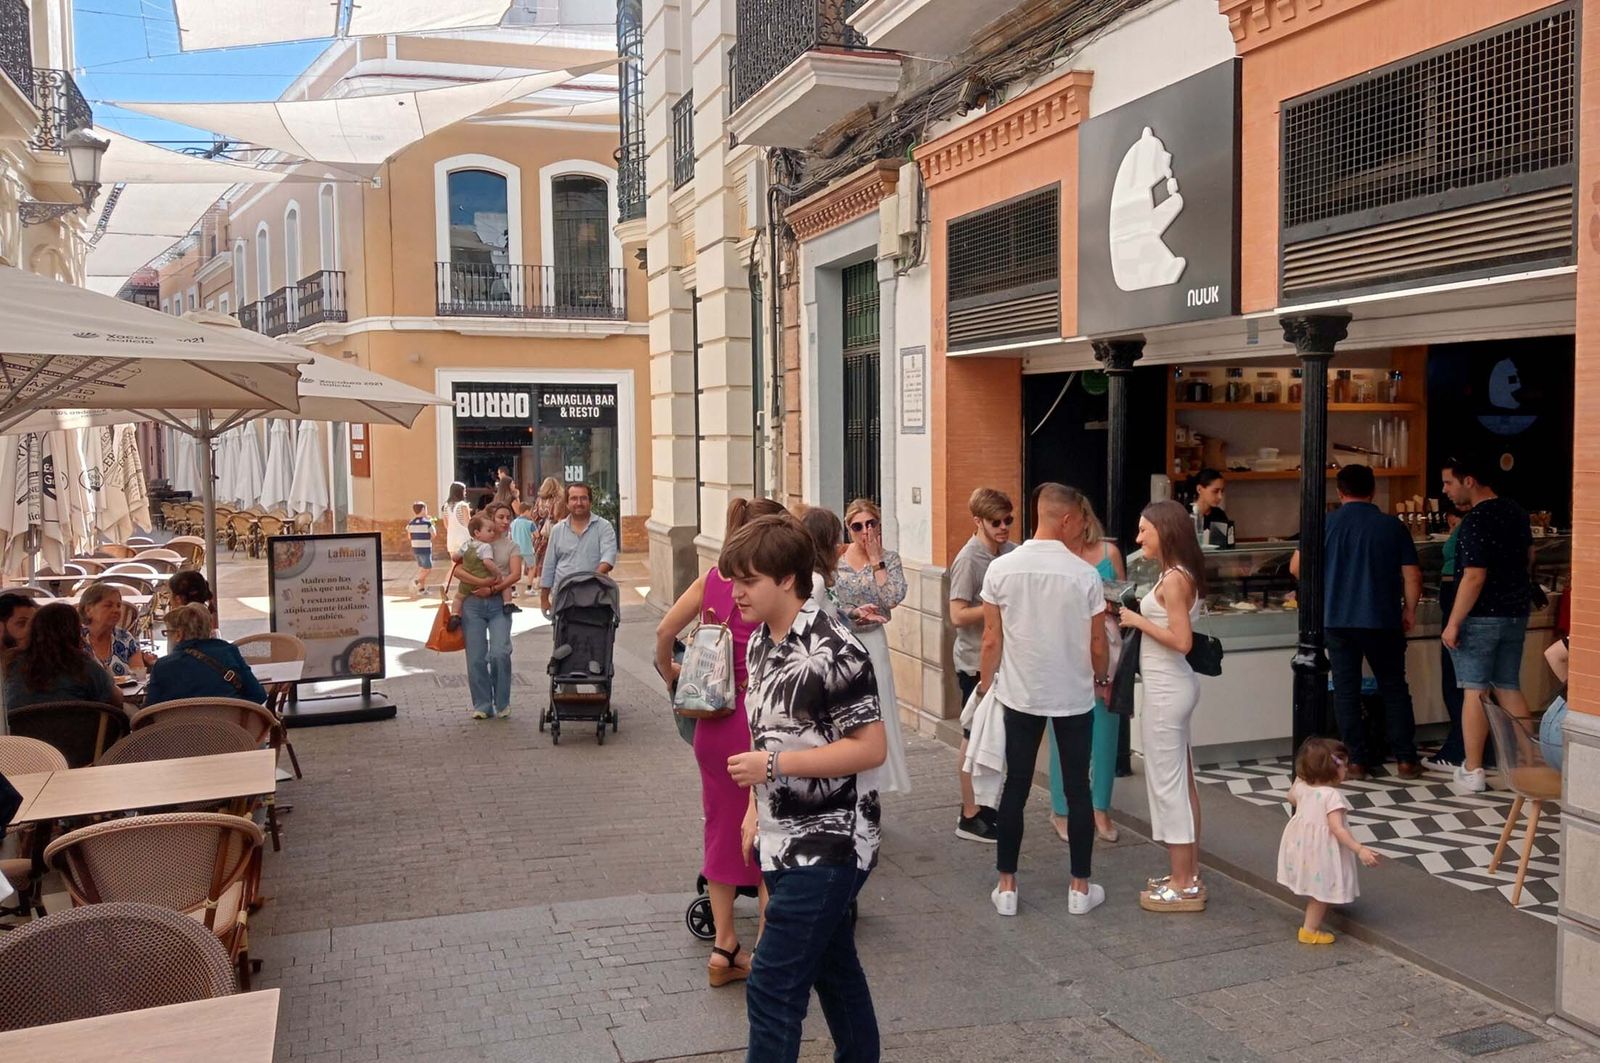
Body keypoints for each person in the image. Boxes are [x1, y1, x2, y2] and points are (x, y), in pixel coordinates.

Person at [721, 514, 885, 1063]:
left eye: (749, 581)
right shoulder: (760, 642)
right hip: (781, 837)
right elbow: (765, 730)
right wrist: (754, 810)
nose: (737, 592)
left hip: (833, 840)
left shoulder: (836, 648)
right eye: (735, 580)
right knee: (835, 972)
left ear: (788, 579)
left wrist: (773, 767)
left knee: (771, 984)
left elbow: (871, 748)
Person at [654, 497, 787, 987]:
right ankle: (766, 951)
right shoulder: (772, 592)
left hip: (712, 724)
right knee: (769, 830)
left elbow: (664, 630)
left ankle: (723, 946)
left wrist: (671, 674)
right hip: (755, 722)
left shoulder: (712, 580)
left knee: (719, 829)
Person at [979, 483, 1110, 919]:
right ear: (1067, 519)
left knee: (1015, 785)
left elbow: (991, 639)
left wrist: (984, 685)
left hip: (1021, 691)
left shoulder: (1001, 569)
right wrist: (1101, 676)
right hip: (1073, 694)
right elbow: (1097, 642)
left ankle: (1007, 886)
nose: (1083, 529)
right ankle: (1079, 887)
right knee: (1078, 788)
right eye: (1081, 521)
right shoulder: (1085, 575)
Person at [1288, 465, 1422, 779]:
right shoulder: (1392, 526)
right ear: (1373, 491)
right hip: (1383, 619)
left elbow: (1296, 567)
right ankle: (1405, 759)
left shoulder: (1323, 523)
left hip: (1337, 620)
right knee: (1394, 688)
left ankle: (1357, 761)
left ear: (1340, 492)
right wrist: (1410, 610)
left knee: (1346, 691)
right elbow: (1412, 575)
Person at [1118, 498, 1207, 913]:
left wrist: (1138, 620)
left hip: (1168, 690)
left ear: (1164, 531)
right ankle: (1188, 874)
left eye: (1144, 530)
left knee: (1169, 786)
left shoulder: (1173, 579)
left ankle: (1183, 882)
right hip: (1171, 688)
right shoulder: (1178, 574)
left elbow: (1182, 641)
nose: (1138, 539)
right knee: (1181, 783)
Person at [1440, 455, 1534, 794]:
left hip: (1480, 616)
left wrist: (1453, 622)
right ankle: (1527, 765)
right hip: (1515, 612)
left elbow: (1474, 576)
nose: (1445, 490)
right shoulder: (1516, 512)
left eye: (1449, 482)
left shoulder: (1475, 520)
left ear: (1469, 480)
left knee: (1475, 690)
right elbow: (1529, 557)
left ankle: (1473, 769)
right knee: (1508, 685)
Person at [1052, 490, 1124, 845]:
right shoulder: (1056, 557)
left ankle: (1100, 808)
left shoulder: (1109, 553)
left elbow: (1126, 599)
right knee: (1062, 732)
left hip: (1105, 648)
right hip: (1067, 649)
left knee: (1105, 730)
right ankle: (1061, 808)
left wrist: (1113, 606)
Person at [948, 487, 1015, 844]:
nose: (1003, 527)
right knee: (971, 736)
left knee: (993, 738)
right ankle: (969, 813)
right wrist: (993, 606)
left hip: (1005, 660)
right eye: (996, 522)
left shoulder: (1012, 552)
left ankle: (985, 806)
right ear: (978, 521)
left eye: (1008, 520)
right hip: (975, 661)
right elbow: (957, 614)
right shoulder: (968, 559)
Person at [832, 498, 912, 795]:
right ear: (848, 529)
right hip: (843, 641)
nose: (865, 531)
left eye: (871, 523)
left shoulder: (890, 559)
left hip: (873, 639)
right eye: (857, 526)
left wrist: (877, 561)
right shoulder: (836, 559)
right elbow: (828, 601)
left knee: (878, 707)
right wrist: (851, 614)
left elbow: (891, 598)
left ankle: (879, 779)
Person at [1276, 737, 1380, 945]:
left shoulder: (1303, 787)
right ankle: (1309, 930)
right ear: (1331, 769)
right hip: (1322, 849)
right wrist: (1359, 849)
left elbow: (1291, 797)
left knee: (1313, 880)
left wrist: (1300, 778)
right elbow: (1337, 829)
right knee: (1320, 892)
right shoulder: (1332, 796)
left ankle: (1319, 905)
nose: (1346, 770)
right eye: (1344, 766)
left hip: (1303, 845)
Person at [456, 501, 522, 721]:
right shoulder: (473, 543)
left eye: (508, 517)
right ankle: (483, 704)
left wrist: (492, 589)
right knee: (475, 656)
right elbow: (457, 570)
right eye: (501, 517)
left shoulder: (511, 546)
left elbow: (515, 574)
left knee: (500, 653)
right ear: (490, 518)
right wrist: (481, 583)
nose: (505, 521)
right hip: (472, 604)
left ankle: (502, 702)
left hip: (498, 603)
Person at [2, 602, 122, 711]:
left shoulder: (12, 664)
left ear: (33, 630)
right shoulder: (83, 665)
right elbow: (116, 700)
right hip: (77, 728)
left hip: (20, 727)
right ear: (75, 632)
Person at [143, 604, 269, 706]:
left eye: (167, 632)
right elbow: (258, 695)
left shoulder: (163, 666)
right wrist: (233, 706)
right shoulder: (228, 651)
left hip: (181, 730)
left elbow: (149, 712)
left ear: (178, 634)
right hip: (229, 728)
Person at [1425, 504, 1470, 770]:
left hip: (1458, 607)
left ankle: (1460, 748)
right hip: (1464, 606)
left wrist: (1453, 623)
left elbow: (1472, 576)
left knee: (1457, 682)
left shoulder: (1470, 526)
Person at [539, 483, 618, 614]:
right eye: (574, 498)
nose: (579, 503)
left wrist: (589, 581)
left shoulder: (604, 527)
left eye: (583, 498)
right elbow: (549, 565)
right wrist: (544, 598)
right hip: (563, 598)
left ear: (590, 502)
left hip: (595, 598)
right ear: (567, 503)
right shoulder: (557, 530)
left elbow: (608, 559)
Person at [79, 583, 155, 680]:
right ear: (88, 610)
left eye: (118, 606)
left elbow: (139, 678)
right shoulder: (74, 639)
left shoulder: (125, 638)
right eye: (108, 605)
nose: (116, 610)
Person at [450, 514, 510, 623]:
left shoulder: (466, 544)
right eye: (489, 531)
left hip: (466, 582)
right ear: (477, 533)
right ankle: (507, 603)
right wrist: (497, 573)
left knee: (458, 597)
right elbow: (487, 562)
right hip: (483, 578)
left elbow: (455, 557)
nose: (492, 533)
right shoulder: (485, 546)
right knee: (505, 582)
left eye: (493, 531)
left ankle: (454, 615)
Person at [800, 506, 844, 619]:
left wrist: (850, 614)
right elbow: (803, 620)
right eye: (836, 539)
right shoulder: (815, 581)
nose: (839, 544)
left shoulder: (819, 575)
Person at [531, 476, 565, 587]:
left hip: (541, 532)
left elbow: (534, 515)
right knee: (554, 556)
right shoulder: (558, 500)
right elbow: (556, 515)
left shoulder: (539, 500)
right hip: (554, 530)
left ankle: (538, 579)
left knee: (540, 556)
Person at [1193, 468, 1232, 543]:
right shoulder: (1185, 514)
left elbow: (1223, 544)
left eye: (1222, 491)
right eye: (1215, 491)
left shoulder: (1219, 515)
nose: (1220, 496)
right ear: (1199, 489)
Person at [508, 503, 537, 598]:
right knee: (532, 567)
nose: (531, 513)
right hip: (527, 548)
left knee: (514, 570)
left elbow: (510, 536)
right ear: (527, 511)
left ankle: (513, 590)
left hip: (515, 549)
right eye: (531, 511)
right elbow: (537, 535)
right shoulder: (530, 523)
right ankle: (529, 588)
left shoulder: (513, 523)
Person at [408, 501, 436, 594]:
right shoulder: (427, 523)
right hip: (425, 548)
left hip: (416, 549)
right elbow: (434, 534)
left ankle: (422, 589)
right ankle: (416, 581)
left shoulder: (411, 523)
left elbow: (409, 536)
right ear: (423, 509)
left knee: (422, 569)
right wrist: (432, 523)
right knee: (428, 569)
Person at [443, 481, 472, 560]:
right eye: (464, 490)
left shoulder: (446, 506)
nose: (465, 493)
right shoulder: (463, 505)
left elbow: (446, 525)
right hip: (464, 539)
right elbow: (468, 523)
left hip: (451, 538)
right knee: (466, 564)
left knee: (454, 564)